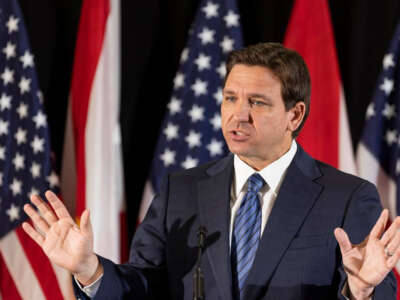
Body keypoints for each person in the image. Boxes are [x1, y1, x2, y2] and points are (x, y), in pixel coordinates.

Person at [23, 43, 399, 300]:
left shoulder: (347, 197)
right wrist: (89, 269)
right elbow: (143, 288)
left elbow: (374, 288)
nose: (238, 115)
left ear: (295, 115)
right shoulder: (181, 191)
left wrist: (360, 290)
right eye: (230, 98)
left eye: (257, 102)